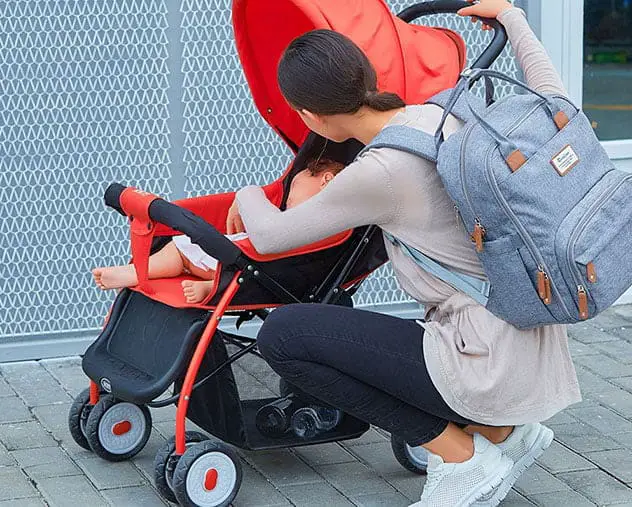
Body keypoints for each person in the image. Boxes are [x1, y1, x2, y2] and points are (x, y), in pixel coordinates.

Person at [227, 2, 582, 506]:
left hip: (482, 360)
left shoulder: (382, 171)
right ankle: (501, 432)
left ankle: (461, 453)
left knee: (285, 335)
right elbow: (553, 96)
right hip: (530, 343)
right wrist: (512, 19)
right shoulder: (444, 111)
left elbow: (270, 238)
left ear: (311, 117)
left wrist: (248, 195)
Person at [92, 158, 345, 303]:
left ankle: (143, 274)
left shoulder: (320, 224)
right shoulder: (299, 219)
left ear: (326, 180)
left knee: (179, 251)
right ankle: (136, 272)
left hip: (240, 268)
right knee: (180, 246)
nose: (287, 199)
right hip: (233, 258)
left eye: (294, 191)